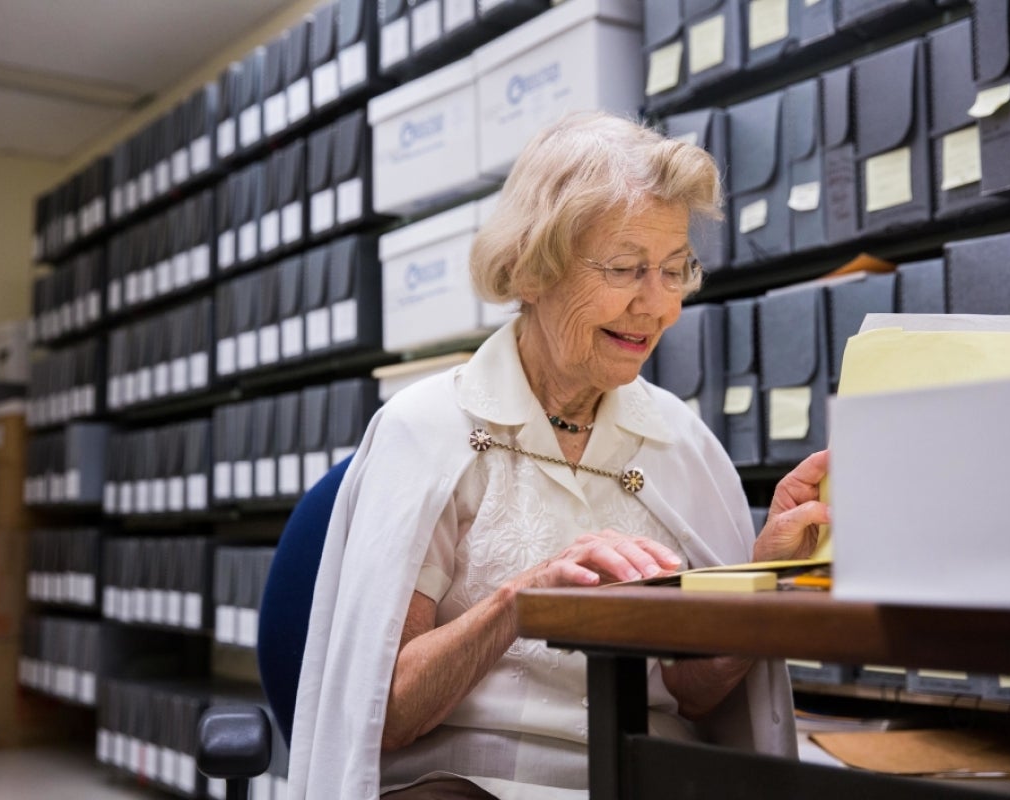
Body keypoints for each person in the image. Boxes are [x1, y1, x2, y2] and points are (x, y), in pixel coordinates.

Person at [287, 110, 830, 799]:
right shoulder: (427, 431)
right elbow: (386, 712)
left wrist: (767, 575)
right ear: (530, 269)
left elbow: (693, 696)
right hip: (468, 780)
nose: (658, 306)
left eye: (674, 270)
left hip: (647, 775)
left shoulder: (684, 445)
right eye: (628, 268)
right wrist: (521, 601)